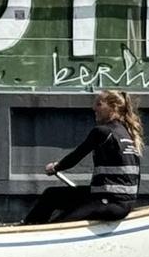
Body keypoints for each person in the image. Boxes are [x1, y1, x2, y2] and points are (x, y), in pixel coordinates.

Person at [25, 90, 142, 226]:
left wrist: (55, 167)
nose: (94, 108)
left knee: (58, 224)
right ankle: (28, 226)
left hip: (109, 202)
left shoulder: (102, 132)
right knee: (52, 195)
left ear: (113, 107)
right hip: (123, 202)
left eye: (99, 104)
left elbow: (76, 156)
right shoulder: (127, 133)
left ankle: (29, 233)